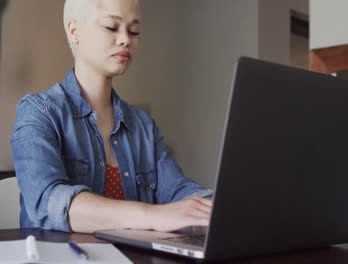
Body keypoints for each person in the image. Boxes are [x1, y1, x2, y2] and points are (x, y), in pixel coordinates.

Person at [11, 0, 213, 233]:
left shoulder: (143, 125)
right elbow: (49, 202)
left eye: (134, 30)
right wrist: (150, 216)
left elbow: (177, 190)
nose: (126, 39)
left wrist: (216, 207)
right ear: (74, 31)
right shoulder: (38, 111)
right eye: (111, 27)